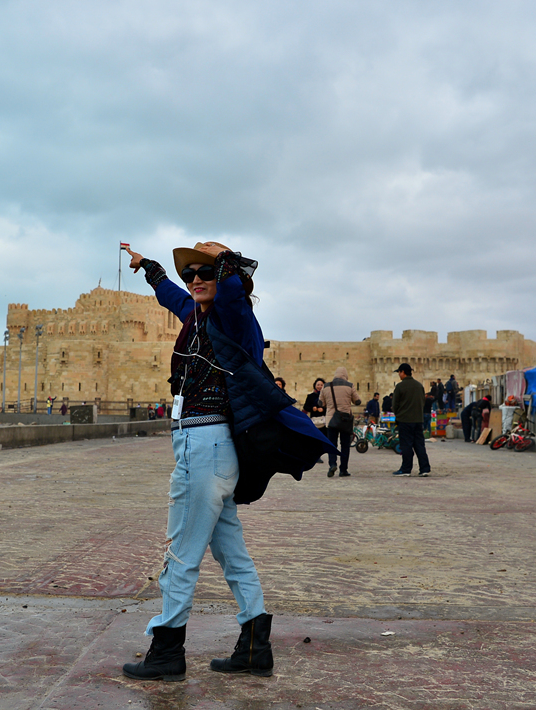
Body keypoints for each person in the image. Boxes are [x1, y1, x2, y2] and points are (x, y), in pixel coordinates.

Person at [121, 241, 333, 682]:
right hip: (204, 446)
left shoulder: (232, 317)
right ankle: (255, 648)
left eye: (206, 272)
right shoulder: (197, 317)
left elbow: (232, 291)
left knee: (182, 551)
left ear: (225, 276)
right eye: (190, 274)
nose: (195, 280)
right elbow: (174, 297)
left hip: (205, 445)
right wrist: (149, 268)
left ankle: (166, 650)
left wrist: (226, 260)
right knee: (231, 552)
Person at [316, 367, 361, 477]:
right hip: (345, 420)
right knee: (345, 445)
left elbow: (320, 403)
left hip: (331, 420)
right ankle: (343, 469)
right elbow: (358, 401)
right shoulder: (349, 386)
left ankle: (332, 464)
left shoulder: (326, 386)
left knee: (332, 444)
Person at [391, 362, 431, 477]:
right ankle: (424, 468)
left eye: (399, 372)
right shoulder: (419, 386)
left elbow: (395, 404)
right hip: (418, 420)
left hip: (405, 420)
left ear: (403, 372)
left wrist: (398, 415)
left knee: (406, 445)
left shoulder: (400, 386)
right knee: (419, 445)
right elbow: (422, 402)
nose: (399, 374)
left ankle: (406, 469)